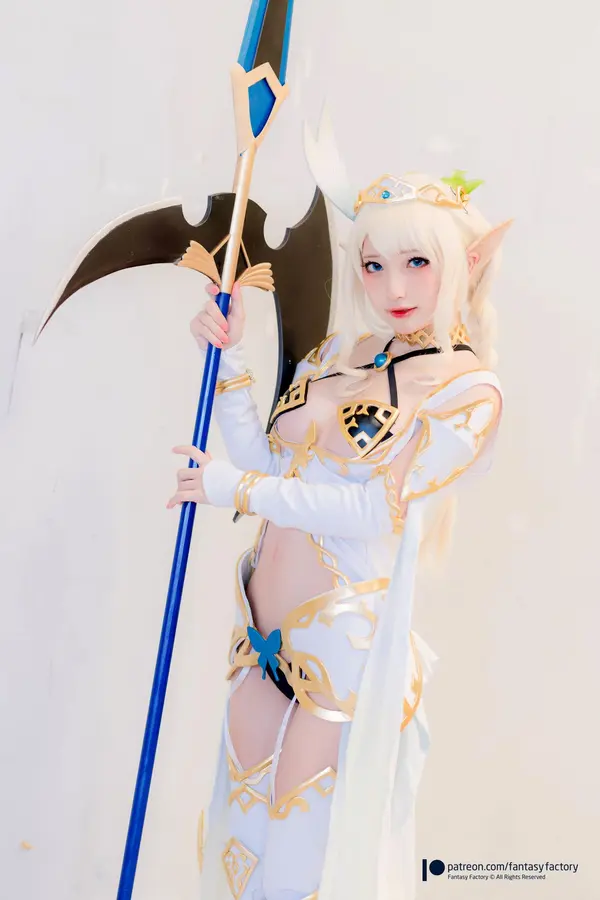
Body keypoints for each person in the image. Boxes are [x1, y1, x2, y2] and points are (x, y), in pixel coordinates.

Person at [166, 152, 510, 900]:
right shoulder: (338, 354)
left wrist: (234, 489)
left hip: (343, 639)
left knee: (306, 857)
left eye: (417, 263)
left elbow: (372, 510)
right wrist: (228, 359)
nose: (393, 288)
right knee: (238, 841)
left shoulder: (468, 391)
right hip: (260, 628)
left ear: (464, 263)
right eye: (374, 264)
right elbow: (268, 462)